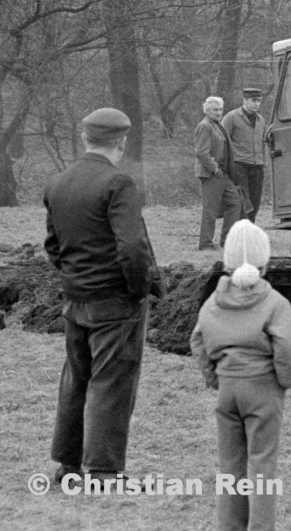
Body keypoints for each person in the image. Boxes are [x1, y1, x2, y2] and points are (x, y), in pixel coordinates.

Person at [45, 107, 161, 488]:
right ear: (122, 142)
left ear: (85, 139)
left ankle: (68, 465)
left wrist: (75, 280)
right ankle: (105, 472)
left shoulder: (58, 183)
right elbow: (132, 247)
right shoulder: (119, 184)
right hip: (115, 302)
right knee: (111, 384)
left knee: (76, 380)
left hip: (75, 301)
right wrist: (138, 290)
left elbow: (53, 246)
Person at [190, 219, 291, 531]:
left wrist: (215, 378)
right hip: (263, 391)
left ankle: (230, 526)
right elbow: (289, 347)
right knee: (262, 466)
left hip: (227, 392)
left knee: (230, 466)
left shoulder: (214, 302)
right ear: (265, 261)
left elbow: (198, 340)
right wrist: (286, 380)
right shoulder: (275, 303)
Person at [195, 96, 242, 250]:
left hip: (223, 173)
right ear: (207, 110)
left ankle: (227, 240)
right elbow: (201, 152)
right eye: (215, 110)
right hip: (211, 174)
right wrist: (214, 168)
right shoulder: (205, 126)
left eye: (221, 109)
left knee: (235, 202)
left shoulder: (217, 125)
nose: (219, 112)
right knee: (210, 209)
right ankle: (205, 243)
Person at [221, 88, 267, 223]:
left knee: (255, 203)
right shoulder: (231, 117)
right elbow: (222, 140)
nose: (257, 104)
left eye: (259, 101)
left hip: (257, 166)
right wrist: (225, 166)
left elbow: (262, 142)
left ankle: (250, 230)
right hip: (239, 166)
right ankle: (241, 234)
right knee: (243, 203)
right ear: (244, 100)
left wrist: (263, 162)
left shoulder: (261, 119)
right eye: (253, 100)